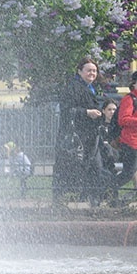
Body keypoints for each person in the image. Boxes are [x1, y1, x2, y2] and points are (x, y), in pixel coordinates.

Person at [52, 59, 104, 204]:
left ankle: (92, 200)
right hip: (77, 138)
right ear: (79, 71)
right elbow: (66, 110)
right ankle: (68, 199)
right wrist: (87, 112)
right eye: (89, 70)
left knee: (95, 168)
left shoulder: (90, 88)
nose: (92, 73)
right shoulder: (73, 87)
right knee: (73, 168)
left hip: (90, 137)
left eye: (94, 71)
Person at [115, 75, 137, 191]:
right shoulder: (129, 99)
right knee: (128, 173)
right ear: (134, 84)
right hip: (131, 142)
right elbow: (123, 120)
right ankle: (106, 189)